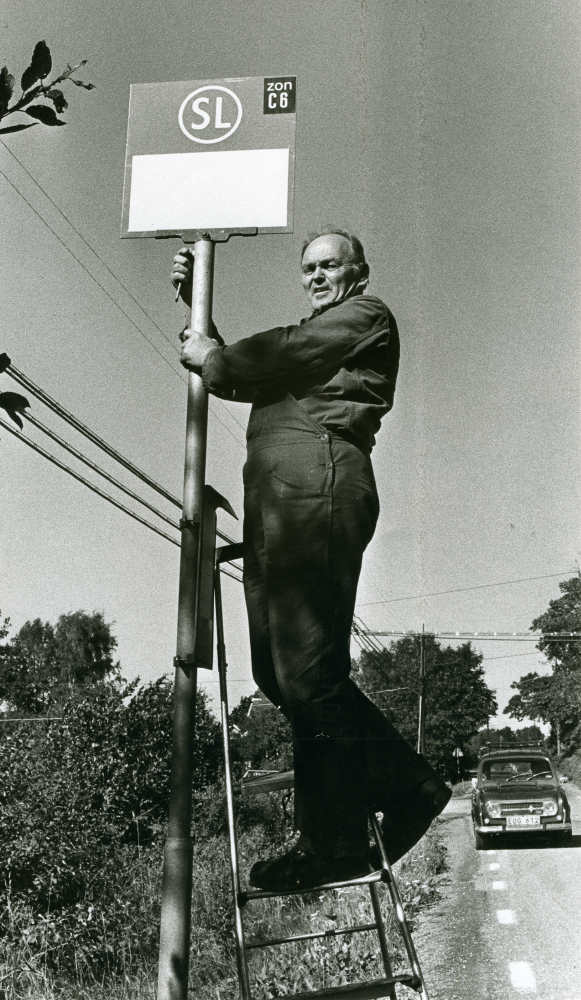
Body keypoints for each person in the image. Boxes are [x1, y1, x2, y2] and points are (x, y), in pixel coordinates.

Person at [172, 228, 451, 891]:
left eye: (331, 265)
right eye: (310, 268)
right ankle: (347, 825)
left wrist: (213, 354)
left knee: (309, 674)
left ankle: (378, 810)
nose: (318, 276)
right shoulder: (316, 346)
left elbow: (271, 356)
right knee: (277, 675)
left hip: (318, 488)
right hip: (275, 504)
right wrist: (200, 312)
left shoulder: (365, 316)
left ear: (359, 271)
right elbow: (256, 371)